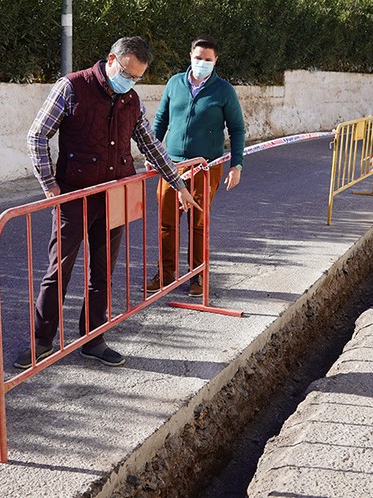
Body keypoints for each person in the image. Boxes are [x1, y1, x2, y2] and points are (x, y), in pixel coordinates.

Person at [21, 36, 199, 369]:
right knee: (59, 269)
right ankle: (41, 342)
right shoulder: (72, 87)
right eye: (127, 73)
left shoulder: (131, 100)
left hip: (114, 196)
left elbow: (150, 145)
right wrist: (50, 186)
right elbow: (37, 134)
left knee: (102, 272)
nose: (130, 82)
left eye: (137, 78)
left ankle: (93, 339)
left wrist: (177, 183)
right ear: (111, 60)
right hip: (75, 195)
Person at [145, 37, 246, 297]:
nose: (202, 63)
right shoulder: (174, 83)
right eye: (198, 58)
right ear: (190, 55)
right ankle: (165, 274)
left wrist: (237, 164)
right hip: (172, 166)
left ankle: (197, 277)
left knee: (198, 224)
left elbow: (236, 129)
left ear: (215, 61)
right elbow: (161, 119)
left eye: (207, 60)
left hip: (205, 167)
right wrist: (152, 151)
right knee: (167, 222)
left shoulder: (224, 91)